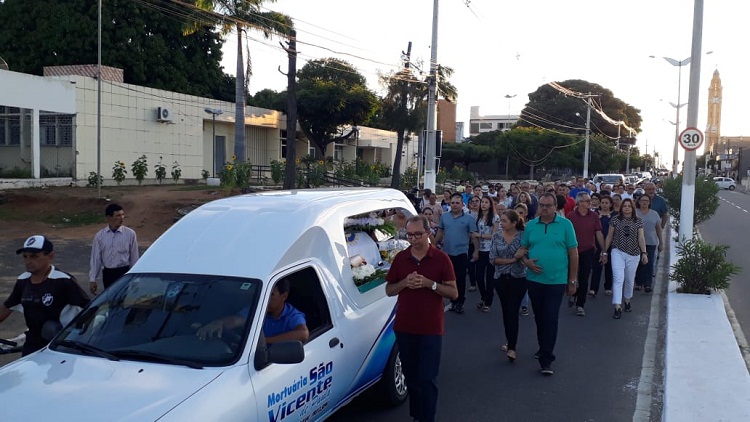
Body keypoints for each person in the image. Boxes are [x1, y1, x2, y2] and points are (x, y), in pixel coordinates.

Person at [386, 216, 458, 422]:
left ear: (428, 233)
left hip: (430, 328)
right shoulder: (401, 258)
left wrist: (430, 284)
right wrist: (404, 283)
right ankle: (417, 415)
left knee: (427, 379)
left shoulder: (441, 259)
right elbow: (389, 290)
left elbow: (453, 293)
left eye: (418, 234)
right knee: (412, 378)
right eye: (409, 235)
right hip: (404, 327)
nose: (413, 239)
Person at [515, 193, 578, 376]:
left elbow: (573, 253)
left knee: (551, 317)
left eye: (548, 205)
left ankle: (547, 358)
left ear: (555, 206)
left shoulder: (566, 225)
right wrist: (526, 262)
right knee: (540, 316)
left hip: (557, 280)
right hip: (534, 280)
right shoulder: (531, 226)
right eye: (541, 205)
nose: (544, 208)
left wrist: (572, 280)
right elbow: (523, 249)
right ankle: (543, 346)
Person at [0, 235, 90, 355]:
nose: (28, 261)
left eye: (34, 256)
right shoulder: (23, 281)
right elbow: (7, 307)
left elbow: (90, 310)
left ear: (50, 256)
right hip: (32, 345)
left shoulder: (63, 281)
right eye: (25, 256)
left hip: (59, 347)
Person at [197, 278, 309, 344]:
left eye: (271, 295)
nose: (265, 299)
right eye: (264, 294)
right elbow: (236, 320)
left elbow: (303, 334)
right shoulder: (258, 308)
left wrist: (265, 341)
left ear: (284, 296)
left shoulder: (292, 315)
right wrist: (219, 322)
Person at [488, 210, 527, 361]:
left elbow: (526, 254)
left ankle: (512, 347)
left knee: (512, 310)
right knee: (506, 311)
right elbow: (493, 259)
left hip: (518, 278)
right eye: (501, 220)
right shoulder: (497, 236)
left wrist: (522, 257)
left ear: (514, 223)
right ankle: (509, 339)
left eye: (504, 221)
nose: (501, 224)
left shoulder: (523, 236)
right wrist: (513, 260)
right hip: (500, 278)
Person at [602, 199, 648, 319]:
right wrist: (604, 252)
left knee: (629, 279)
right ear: (621, 208)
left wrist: (644, 253)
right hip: (618, 251)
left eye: (629, 206)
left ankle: (627, 300)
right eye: (624, 206)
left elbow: (641, 238)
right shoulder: (615, 220)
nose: (626, 208)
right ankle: (617, 306)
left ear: (632, 208)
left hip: (634, 253)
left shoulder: (638, 221)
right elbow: (609, 236)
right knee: (618, 278)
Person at [435, 193, 479, 314]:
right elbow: (440, 232)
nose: (454, 205)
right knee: (447, 279)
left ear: (462, 204)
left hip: (461, 253)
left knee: (460, 278)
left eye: (457, 203)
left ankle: (460, 302)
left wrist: (476, 251)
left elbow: (474, 236)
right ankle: (452, 300)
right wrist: (433, 245)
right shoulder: (445, 217)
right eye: (452, 203)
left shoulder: (469, 218)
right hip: (447, 252)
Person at [566, 192, 605, 316]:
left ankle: (580, 304)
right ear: (579, 202)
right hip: (573, 250)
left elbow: (598, 232)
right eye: (587, 201)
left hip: (588, 250)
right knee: (572, 275)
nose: (590, 203)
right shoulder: (571, 216)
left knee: (584, 277)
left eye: (589, 200)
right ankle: (573, 293)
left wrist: (603, 250)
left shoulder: (594, 216)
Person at [89, 203, 139, 294]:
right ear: (109, 217)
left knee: (122, 299)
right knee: (109, 298)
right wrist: (93, 279)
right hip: (108, 274)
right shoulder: (100, 236)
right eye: (118, 215)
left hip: (124, 272)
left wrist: (135, 278)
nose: (122, 218)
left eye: (122, 215)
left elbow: (134, 257)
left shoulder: (130, 234)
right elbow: (96, 259)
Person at [473, 196, 500, 312]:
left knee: (490, 277)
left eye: (486, 202)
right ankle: (484, 296)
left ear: (490, 205)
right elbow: (474, 234)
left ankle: (488, 302)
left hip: (491, 250)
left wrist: (480, 235)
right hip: (481, 249)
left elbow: (494, 235)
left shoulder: (495, 217)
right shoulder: (478, 217)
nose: (483, 204)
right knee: (479, 276)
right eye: (482, 202)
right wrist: (476, 250)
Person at [634, 194, 663, 293]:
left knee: (649, 263)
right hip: (636, 242)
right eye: (642, 200)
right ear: (639, 202)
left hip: (651, 242)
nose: (644, 202)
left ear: (650, 202)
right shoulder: (635, 213)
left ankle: (648, 284)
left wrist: (661, 242)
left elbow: (658, 229)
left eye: (647, 201)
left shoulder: (654, 214)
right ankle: (638, 283)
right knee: (638, 263)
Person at [590, 196, 616, 296]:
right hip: (597, 243)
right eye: (603, 202)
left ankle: (608, 287)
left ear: (610, 204)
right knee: (597, 266)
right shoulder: (595, 214)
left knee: (609, 266)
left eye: (606, 203)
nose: (604, 205)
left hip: (611, 243)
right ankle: (593, 288)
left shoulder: (615, 215)